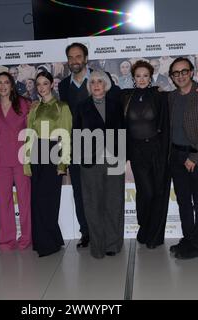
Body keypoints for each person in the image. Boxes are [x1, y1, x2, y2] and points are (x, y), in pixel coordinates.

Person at [167, 57, 198, 259]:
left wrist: (194, 157)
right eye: (176, 73)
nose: (180, 76)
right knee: (183, 201)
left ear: (191, 72)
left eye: (184, 71)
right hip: (176, 156)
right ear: (171, 77)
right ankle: (188, 238)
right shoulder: (171, 97)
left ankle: (197, 245)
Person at [74, 70, 125, 259]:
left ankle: (112, 244)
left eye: (100, 82)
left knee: (114, 203)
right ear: (89, 86)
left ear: (106, 85)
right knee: (93, 205)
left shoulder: (116, 105)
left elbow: (123, 130)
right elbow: (76, 134)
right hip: (90, 163)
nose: (96, 85)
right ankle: (98, 245)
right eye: (93, 82)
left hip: (114, 160)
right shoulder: (81, 107)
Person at [120, 60, 170, 249]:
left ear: (151, 77)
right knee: (146, 192)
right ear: (133, 77)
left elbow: (165, 122)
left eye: (145, 76)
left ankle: (154, 236)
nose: (142, 79)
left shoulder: (159, 96)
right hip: (136, 151)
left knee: (158, 192)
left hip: (156, 149)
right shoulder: (125, 96)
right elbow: (101, 94)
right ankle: (144, 226)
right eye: (138, 76)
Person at [24, 71, 72, 257]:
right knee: (37, 200)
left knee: (49, 200)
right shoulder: (34, 108)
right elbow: (29, 133)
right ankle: (45, 240)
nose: (41, 87)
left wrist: (63, 164)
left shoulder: (62, 107)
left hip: (53, 152)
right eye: (39, 84)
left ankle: (49, 243)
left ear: (52, 84)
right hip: (36, 152)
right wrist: (27, 163)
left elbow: (66, 136)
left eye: (45, 83)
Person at [0, 72, 32, 251]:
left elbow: (32, 130)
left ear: (12, 85)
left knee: (24, 200)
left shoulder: (24, 104)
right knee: (3, 201)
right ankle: (6, 239)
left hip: (21, 158)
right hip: (0, 159)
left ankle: (26, 238)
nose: (3, 86)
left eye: (6, 82)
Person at [58, 42, 91, 248]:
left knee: (98, 191)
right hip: (74, 147)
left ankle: (102, 231)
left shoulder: (99, 78)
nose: (74, 61)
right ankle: (85, 232)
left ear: (86, 58)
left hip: (99, 146)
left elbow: (115, 102)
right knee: (79, 191)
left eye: (78, 57)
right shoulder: (63, 86)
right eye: (70, 57)